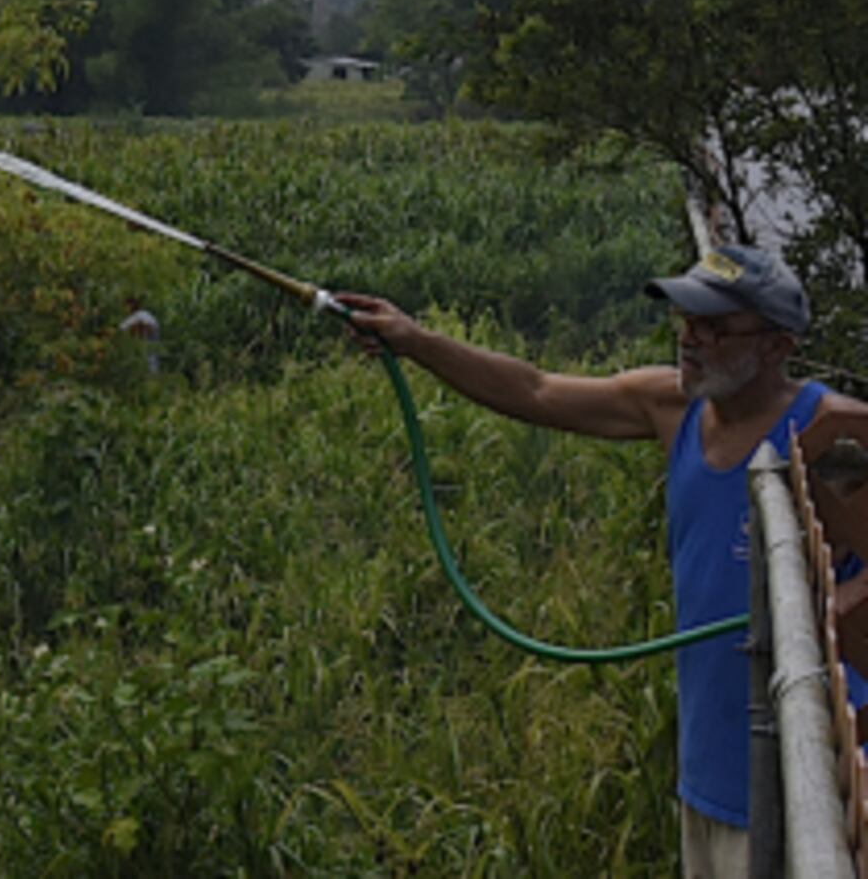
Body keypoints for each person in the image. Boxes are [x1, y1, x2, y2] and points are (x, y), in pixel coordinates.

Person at [339, 245, 867, 879]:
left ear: (778, 347)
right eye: (685, 321)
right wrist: (416, 340)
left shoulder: (834, 437)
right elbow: (536, 389)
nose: (690, 340)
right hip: (707, 776)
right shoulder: (674, 408)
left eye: (714, 327)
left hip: (810, 786)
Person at [119, 295, 160, 374]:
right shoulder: (131, 318)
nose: (125, 308)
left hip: (147, 348)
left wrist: (137, 334)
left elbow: (149, 327)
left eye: (127, 305)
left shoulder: (142, 314)